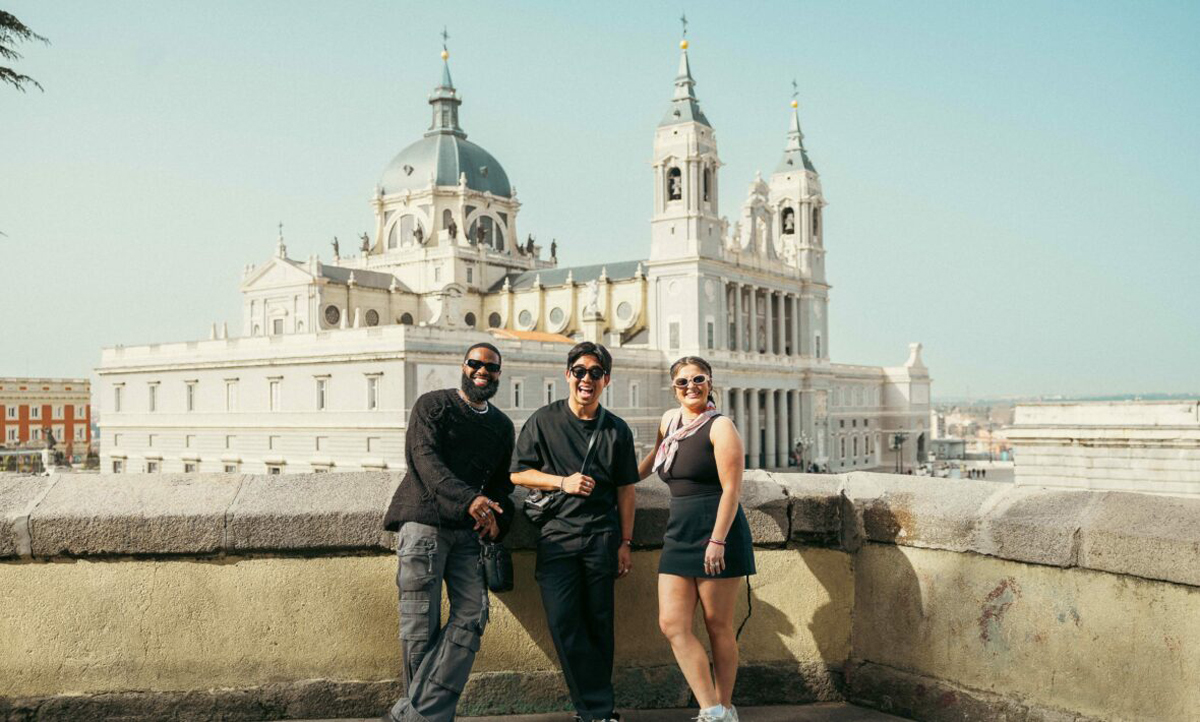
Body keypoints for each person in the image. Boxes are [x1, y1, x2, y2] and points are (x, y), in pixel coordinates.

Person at [381, 343, 515, 722]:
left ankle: (414, 715)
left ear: (499, 374)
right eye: (475, 364)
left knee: (473, 615)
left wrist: (496, 517)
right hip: (424, 525)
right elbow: (424, 459)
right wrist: (469, 498)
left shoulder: (502, 426)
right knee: (419, 624)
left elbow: (503, 485)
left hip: (470, 535)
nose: (482, 371)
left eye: (491, 367)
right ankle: (431, 717)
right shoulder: (432, 405)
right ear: (463, 366)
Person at [511, 342, 638, 722]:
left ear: (606, 380)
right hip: (556, 538)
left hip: (602, 538)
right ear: (567, 375)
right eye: (580, 371)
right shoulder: (542, 420)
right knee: (564, 621)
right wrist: (560, 482)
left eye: (595, 372)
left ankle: (596, 712)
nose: (587, 378)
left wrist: (626, 542)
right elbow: (518, 473)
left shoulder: (617, 429)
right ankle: (598, 707)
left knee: (600, 625)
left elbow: (626, 491)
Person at [638, 356, 756, 722]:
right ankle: (713, 709)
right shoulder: (669, 421)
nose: (691, 387)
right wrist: (620, 479)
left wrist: (717, 540)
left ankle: (725, 707)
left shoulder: (721, 427)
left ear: (709, 382)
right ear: (673, 387)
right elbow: (655, 457)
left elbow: (731, 489)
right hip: (679, 530)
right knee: (671, 623)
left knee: (717, 624)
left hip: (716, 529)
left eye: (698, 379)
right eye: (682, 382)